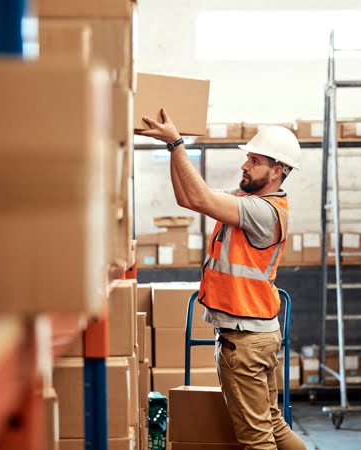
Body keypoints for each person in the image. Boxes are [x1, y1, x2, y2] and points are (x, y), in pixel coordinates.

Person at [138, 109, 307, 450]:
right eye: (247, 157)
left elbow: (199, 198)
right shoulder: (249, 199)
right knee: (274, 425)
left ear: (277, 171)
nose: (245, 165)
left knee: (256, 440)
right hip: (257, 335)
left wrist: (176, 142)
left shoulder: (262, 212)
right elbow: (189, 198)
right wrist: (174, 151)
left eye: (254, 160)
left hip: (244, 341)